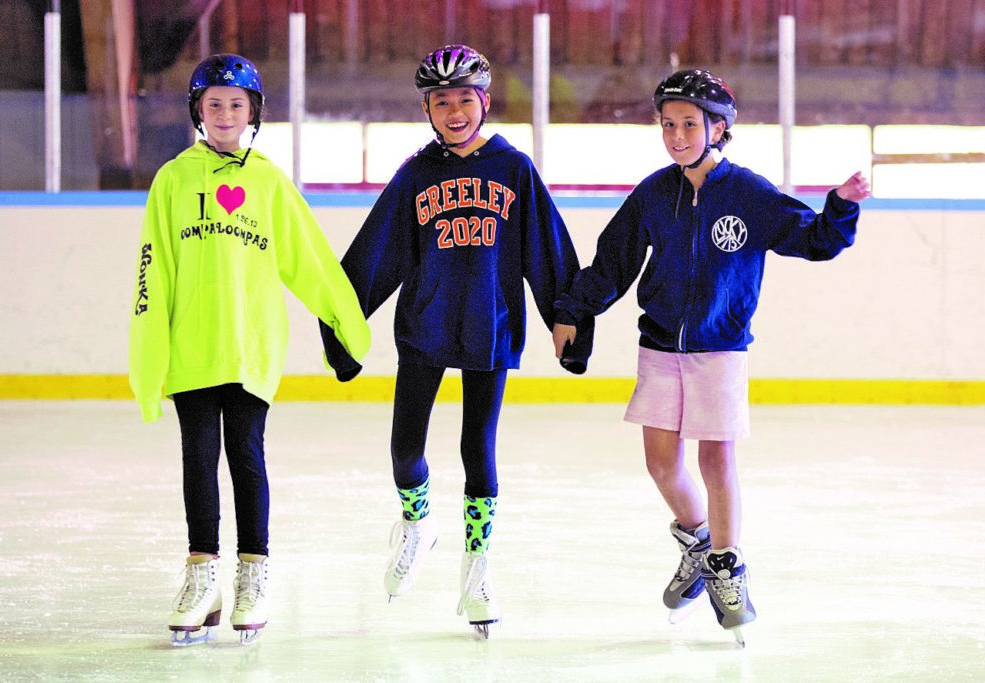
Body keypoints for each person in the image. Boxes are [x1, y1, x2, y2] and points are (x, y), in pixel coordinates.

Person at [551, 69, 871, 646]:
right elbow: (614, 262)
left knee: (716, 462)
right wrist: (575, 309)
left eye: (689, 124)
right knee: (660, 464)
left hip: (720, 348)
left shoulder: (748, 192)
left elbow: (815, 240)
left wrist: (841, 206)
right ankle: (698, 541)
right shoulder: (654, 192)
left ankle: (726, 566)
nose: (676, 135)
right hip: (659, 346)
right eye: (668, 124)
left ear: (717, 128)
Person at [319, 44, 591, 639]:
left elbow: (546, 249)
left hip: (488, 328)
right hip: (424, 326)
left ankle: (477, 569)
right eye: (441, 101)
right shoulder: (417, 174)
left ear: (485, 102)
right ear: (427, 109)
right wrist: (343, 321)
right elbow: (378, 250)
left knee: (478, 449)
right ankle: (417, 524)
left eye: (464, 98)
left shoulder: (513, 170)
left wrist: (567, 318)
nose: (454, 110)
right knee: (403, 449)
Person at [128, 53, 370, 646]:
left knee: (247, 458)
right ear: (197, 112)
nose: (225, 114)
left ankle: (252, 576)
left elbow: (308, 259)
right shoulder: (172, 180)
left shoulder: (267, 182)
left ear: (254, 112)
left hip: (251, 349)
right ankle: (201, 576)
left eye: (237, 104)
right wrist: (149, 356)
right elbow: (151, 273)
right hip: (192, 349)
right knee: (197, 460)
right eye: (214, 104)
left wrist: (345, 324)